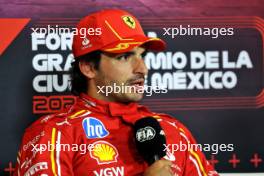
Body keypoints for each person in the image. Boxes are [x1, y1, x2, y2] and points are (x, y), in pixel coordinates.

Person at [14, 9, 219, 176]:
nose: (142, 69)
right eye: (124, 57)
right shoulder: (54, 134)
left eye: (142, 55)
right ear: (89, 67)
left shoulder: (174, 130)